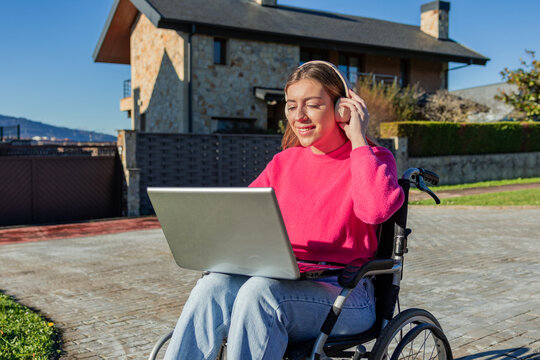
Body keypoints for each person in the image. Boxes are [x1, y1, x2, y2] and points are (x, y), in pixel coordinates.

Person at [164, 61, 404, 360]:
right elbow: (238, 215)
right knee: (213, 286)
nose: (299, 116)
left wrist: (358, 138)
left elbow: (376, 210)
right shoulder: (283, 163)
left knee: (259, 293)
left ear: (343, 108)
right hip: (284, 280)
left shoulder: (371, 157)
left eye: (313, 105)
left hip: (346, 295)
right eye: (291, 106)